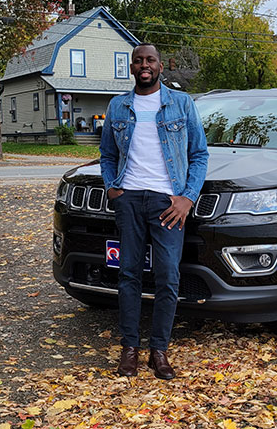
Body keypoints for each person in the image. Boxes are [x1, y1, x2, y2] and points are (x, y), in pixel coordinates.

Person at [99, 43, 208, 380]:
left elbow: (199, 154)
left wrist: (187, 198)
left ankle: (158, 351)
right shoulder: (118, 106)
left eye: (150, 60)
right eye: (138, 61)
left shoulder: (181, 103)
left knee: (168, 276)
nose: (144, 65)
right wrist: (112, 188)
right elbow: (107, 155)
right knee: (128, 274)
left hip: (167, 204)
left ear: (161, 66)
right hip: (129, 200)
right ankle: (130, 349)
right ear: (131, 67)